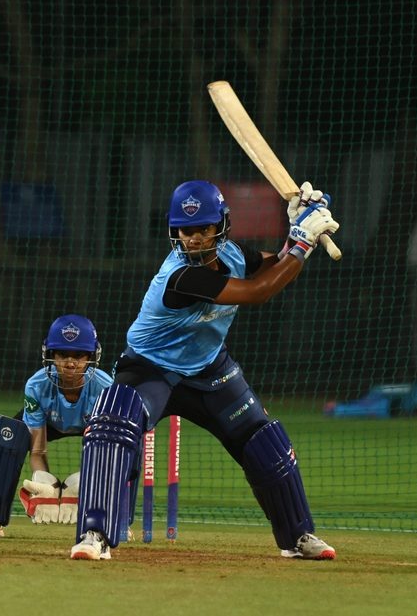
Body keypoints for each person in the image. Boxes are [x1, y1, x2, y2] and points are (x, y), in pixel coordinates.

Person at [69, 179, 339, 561]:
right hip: (151, 369)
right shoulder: (181, 277)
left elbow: (274, 264)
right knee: (114, 424)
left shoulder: (233, 255)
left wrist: (296, 226)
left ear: (221, 227)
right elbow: (259, 292)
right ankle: (95, 533)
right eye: (185, 229)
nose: (193, 238)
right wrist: (304, 242)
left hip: (210, 370)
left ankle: (297, 537)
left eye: (203, 229)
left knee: (264, 440)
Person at [0, 314, 113, 537]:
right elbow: (38, 450)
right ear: (50, 355)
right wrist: (46, 485)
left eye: (79, 355)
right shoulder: (36, 386)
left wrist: (85, 480)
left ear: (91, 357)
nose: (70, 363)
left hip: (91, 428)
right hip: (51, 423)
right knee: (7, 436)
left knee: (122, 445)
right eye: (62, 355)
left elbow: (103, 452)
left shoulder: (105, 388)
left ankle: (117, 522)